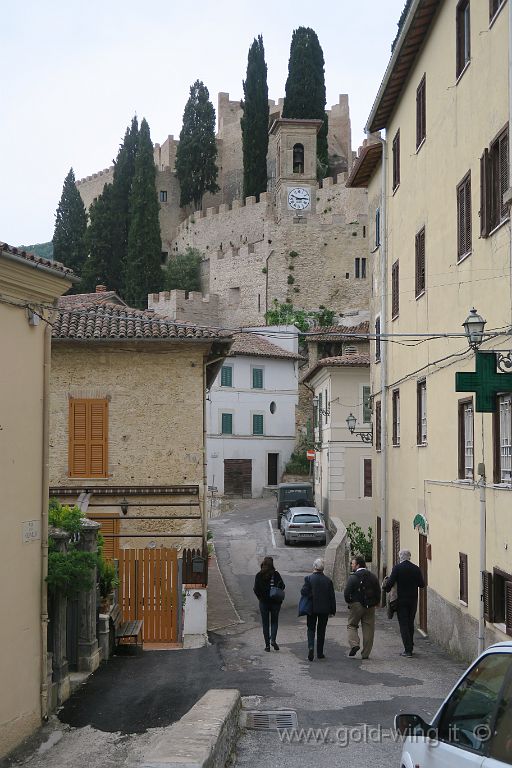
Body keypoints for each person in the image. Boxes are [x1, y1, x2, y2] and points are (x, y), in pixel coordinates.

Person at [384, 549, 425, 657]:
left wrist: (386, 588)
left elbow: (390, 583)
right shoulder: (416, 568)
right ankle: (410, 645)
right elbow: (422, 584)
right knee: (410, 623)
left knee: (403, 624)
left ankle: (408, 650)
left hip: (401, 600)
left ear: (400, 557)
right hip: (413, 600)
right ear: (409, 557)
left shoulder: (397, 568)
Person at [344, 554, 381, 659]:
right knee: (369, 629)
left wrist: (350, 602)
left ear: (358, 565)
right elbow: (378, 591)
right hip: (370, 606)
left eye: (353, 564)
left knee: (352, 625)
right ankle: (365, 654)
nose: (352, 566)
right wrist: (376, 602)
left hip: (356, 604)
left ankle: (355, 644)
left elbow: (347, 593)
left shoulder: (353, 577)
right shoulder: (372, 576)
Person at [301, 558, 336, 661]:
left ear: (314, 567)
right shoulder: (328, 580)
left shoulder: (309, 578)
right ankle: (320, 653)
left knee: (311, 628)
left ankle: (311, 647)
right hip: (324, 609)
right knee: (321, 630)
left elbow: (303, 591)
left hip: (312, 608)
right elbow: (331, 597)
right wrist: (332, 610)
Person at [253, 556, 285, 652]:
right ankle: (273, 640)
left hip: (264, 603)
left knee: (265, 624)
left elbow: (256, 589)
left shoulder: (259, 575)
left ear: (263, 564)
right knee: (274, 622)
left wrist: (260, 598)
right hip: (275, 602)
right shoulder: (276, 574)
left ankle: (267, 646)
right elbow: (283, 586)